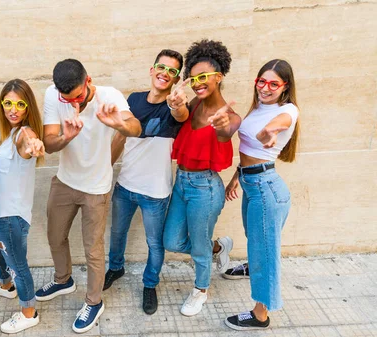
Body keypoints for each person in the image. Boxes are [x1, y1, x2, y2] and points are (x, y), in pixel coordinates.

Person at [36, 59, 142, 333]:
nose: (74, 104)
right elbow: (48, 143)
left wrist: (119, 123)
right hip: (65, 181)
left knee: (93, 250)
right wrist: (66, 137)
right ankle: (63, 280)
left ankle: (94, 302)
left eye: (79, 97)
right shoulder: (52, 95)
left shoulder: (109, 96)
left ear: (89, 81)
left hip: (96, 187)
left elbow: (136, 128)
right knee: (55, 235)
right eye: (67, 99)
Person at [102, 49, 189, 315]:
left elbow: (181, 116)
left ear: (176, 79)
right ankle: (115, 268)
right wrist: (105, 171)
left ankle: (150, 284)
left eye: (172, 71)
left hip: (156, 193)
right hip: (125, 187)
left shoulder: (175, 106)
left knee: (155, 243)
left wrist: (177, 105)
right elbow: (120, 138)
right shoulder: (134, 100)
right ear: (152, 70)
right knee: (117, 234)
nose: (165, 74)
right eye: (161, 68)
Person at [163, 39, 241, 317]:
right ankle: (217, 247)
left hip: (205, 188)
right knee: (171, 241)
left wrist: (222, 127)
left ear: (219, 77)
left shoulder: (229, 115)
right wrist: (175, 105)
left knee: (198, 249)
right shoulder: (196, 103)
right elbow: (182, 115)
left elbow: (226, 131)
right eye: (193, 78)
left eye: (204, 77)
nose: (197, 83)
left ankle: (200, 290)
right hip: (182, 182)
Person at [223, 59, 300, 330]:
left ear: (285, 86)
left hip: (266, 190)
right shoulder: (257, 107)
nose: (265, 88)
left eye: (273, 84)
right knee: (255, 238)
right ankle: (250, 266)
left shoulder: (287, 109)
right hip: (251, 183)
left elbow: (280, 123)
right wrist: (235, 178)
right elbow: (247, 151)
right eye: (261, 81)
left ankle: (260, 315)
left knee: (265, 251)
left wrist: (271, 131)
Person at [0, 79, 45, 334]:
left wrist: (34, 146)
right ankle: (6, 286)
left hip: (10, 215)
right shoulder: (4, 133)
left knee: (18, 264)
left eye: (20, 104)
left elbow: (29, 145)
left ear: (28, 107)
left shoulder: (23, 134)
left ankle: (29, 312)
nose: (14, 109)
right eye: (8, 103)